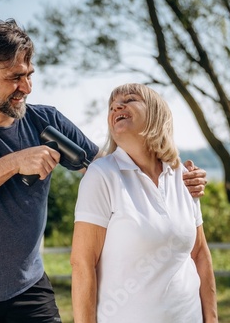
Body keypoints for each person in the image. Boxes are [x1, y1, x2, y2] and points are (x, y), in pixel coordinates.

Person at [0, 19, 208, 322]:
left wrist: (173, 180)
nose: (27, 88)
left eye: (29, 75)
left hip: (28, 290)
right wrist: (14, 162)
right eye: (15, 78)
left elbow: (112, 168)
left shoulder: (46, 121)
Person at [70, 83, 218, 323]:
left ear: (157, 115)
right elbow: (82, 264)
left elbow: (200, 253)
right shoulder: (102, 175)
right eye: (112, 106)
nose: (117, 106)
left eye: (129, 99)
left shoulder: (183, 176)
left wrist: (211, 319)